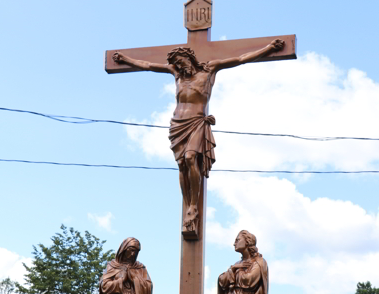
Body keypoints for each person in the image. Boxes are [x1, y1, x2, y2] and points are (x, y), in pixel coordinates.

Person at [113, 39, 284, 230]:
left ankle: (194, 204)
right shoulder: (176, 74)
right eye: (176, 63)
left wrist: (269, 48)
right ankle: (187, 204)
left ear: (190, 58)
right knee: (182, 165)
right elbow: (148, 65)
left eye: (181, 61)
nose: (179, 66)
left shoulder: (209, 70)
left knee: (191, 157)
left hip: (196, 122)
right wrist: (126, 59)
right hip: (177, 124)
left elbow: (241, 58)